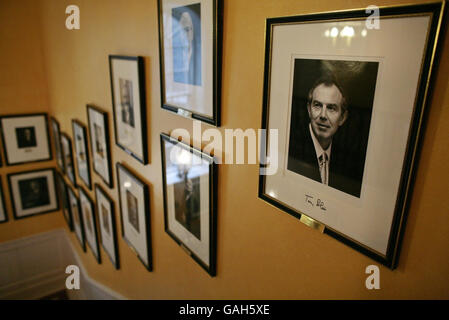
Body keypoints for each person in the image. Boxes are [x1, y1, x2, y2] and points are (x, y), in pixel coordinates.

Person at [288, 76, 363, 197]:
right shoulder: (291, 146)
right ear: (309, 110)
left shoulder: (349, 161)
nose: (323, 115)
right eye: (317, 105)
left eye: (331, 108)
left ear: (343, 118)